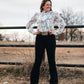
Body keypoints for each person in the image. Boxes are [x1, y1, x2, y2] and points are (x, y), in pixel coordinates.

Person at [26, 0, 66, 84]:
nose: (49, 6)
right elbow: (29, 25)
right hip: (40, 38)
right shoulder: (37, 15)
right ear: (43, 6)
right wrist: (34, 32)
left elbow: (62, 24)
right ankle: (34, 82)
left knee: (52, 61)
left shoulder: (54, 14)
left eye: (50, 5)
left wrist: (55, 32)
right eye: (47, 4)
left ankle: (54, 82)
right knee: (37, 61)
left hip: (50, 38)